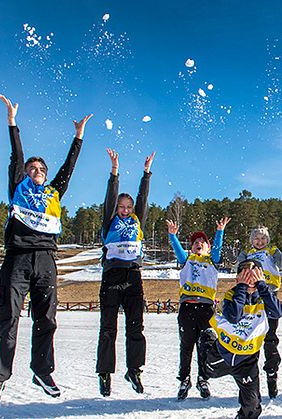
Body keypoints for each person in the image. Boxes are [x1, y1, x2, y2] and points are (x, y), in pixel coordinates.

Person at [0, 95, 91, 405]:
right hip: (18, 258)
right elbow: (15, 156)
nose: (35, 169)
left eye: (40, 168)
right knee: (8, 318)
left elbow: (68, 169)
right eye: (31, 167)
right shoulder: (18, 187)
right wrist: (12, 123)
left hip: (47, 259)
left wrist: (78, 137)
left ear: (46, 175)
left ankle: (42, 370)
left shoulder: (52, 192)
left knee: (46, 318)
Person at [96, 148, 155, 397]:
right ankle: (105, 373)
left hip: (133, 276)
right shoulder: (110, 221)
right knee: (108, 327)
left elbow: (143, 198)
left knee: (135, 327)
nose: (125, 209)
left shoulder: (137, 220)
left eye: (128, 207)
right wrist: (114, 172)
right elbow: (110, 198)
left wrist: (146, 173)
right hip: (112, 276)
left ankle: (134, 370)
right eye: (122, 206)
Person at [198, 259, 282, 419]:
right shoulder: (232, 295)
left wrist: (263, 287)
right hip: (223, 354)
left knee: (252, 405)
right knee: (209, 371)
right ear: (237, 279)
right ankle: (207, 342)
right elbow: (233, 316)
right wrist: (242, 288)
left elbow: (277, 312)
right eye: (245, 275)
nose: (250, 280)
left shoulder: (264, 296)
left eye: (254, 275)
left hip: (247, 360)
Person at [167, 216, 231, 400]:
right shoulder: (187, 260)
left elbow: (218, 250)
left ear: (208, 248)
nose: (199, 243)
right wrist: (173, 236)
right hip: (187, 308)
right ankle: (184, 379)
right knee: (186, 346)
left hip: (206, 309)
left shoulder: (212, 261)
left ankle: (203, 379)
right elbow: (179, 252)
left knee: (205, 346)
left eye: (203, 242)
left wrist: (220, 231)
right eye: (196, 242)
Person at [235, 227, 282, 398]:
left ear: (267, 240)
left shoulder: (272, 251)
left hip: (269, 293)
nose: (260, 242)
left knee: (270, 337)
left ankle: (272, 372)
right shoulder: (247, 252)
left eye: (263, 239)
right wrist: (234, 259)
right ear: (251, 240)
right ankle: (250, 380)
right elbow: (237, 268)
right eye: (256, 239)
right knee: (251, 335)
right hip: (251, 296)